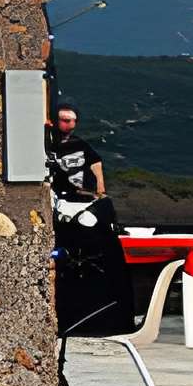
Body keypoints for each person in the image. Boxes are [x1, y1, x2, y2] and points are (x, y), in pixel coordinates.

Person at [49, 101, 135, 338]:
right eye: (66, 120)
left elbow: (96, 163)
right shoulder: (49, 147)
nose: (71, 124)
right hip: (65, 205)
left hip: (85, 203)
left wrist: (100, 189)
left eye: (73, 120)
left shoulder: (80, 145)